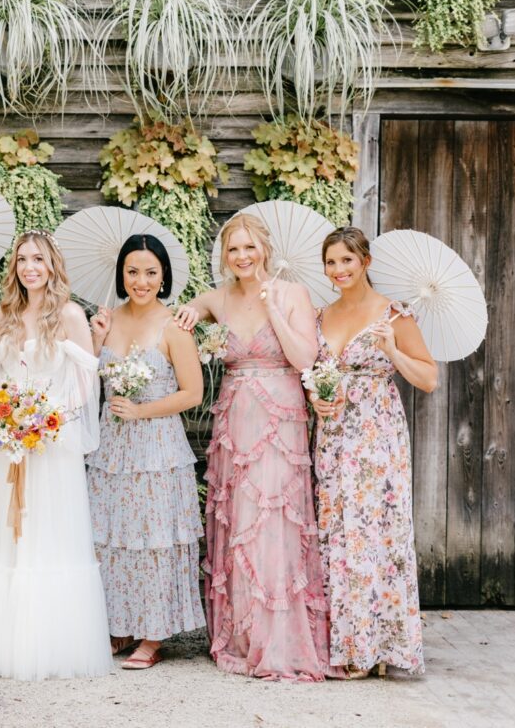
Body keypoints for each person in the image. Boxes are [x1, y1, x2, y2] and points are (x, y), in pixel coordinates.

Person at [175, 212, 341, 681]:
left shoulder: (293, 294)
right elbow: (188, 311)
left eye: (249, 247)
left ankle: (280, 636)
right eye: (233, 249)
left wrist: (272, 311)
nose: (242, 257)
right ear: (224, 256)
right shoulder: (219, 296)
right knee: (243, 520)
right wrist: (190, 310)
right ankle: (243, 633)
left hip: (280, 416)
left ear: (264, 249)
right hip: (235, 416)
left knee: (276, 519)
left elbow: (306, 358)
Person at [0, 230, 113, 681]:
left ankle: (50, 647)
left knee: (47, 538)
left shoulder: (72, 316)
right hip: (8, 444)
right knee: (5, 540)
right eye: (22, 260)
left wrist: (43, 420)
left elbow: (83, 388)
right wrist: (2, 419)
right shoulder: (4, 314)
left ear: (53, 265)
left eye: (38, 259)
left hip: (51, 446)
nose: (30, 267)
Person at [310, 226, 436, 678]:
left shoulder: (393, 314)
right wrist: (316, 398)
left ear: (365, 261)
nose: (338, 269)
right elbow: (313, 372)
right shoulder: (319, 316)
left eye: (347, 260)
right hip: (333, 436)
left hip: (376, 437)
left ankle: (375, 649)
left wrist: (391, 351)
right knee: (337, 536)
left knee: (374, 535)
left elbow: (428, 377)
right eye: (331, 262)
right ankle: (345, 643)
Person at [87, 234, 206, 670]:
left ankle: (153, 635)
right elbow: (84, 383)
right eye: (133, 271)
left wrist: (141, 410)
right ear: (121, 274)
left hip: (157, 449)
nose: (141, 280)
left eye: (151, 272)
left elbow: (193, 393)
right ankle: (120, 623)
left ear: (163, 276)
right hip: (111, 448)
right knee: (113, 537)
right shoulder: (104, 320)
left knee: (153, 539)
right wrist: (94, 342)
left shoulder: (174, 326)